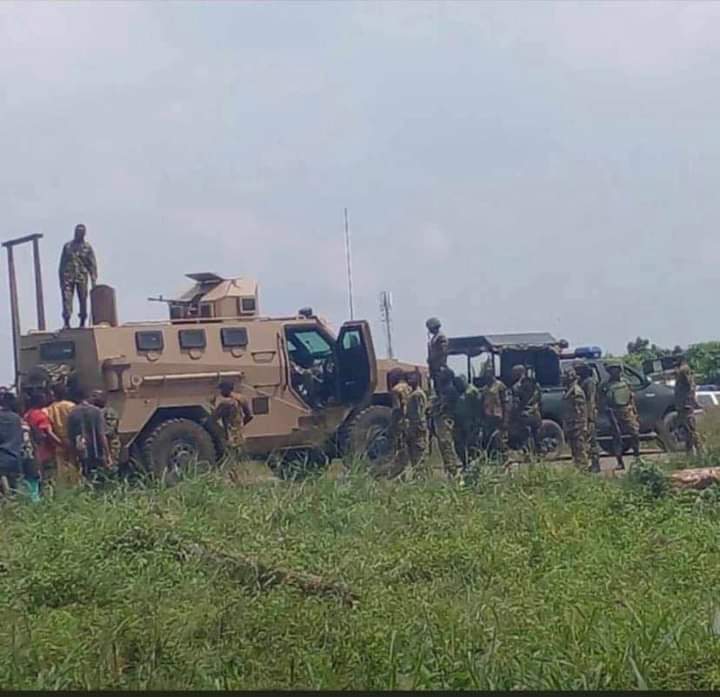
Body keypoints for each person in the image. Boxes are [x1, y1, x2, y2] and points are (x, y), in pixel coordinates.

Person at [602, 361, 640, 471]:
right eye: (612, 369)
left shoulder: (626, 383)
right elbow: (601, 400)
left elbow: (631, 398)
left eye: (617, 369)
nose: (615, 372)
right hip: (613, 412)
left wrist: (635, 412)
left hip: (627, 410)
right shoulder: (606, 385)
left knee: (635, 433)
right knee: (616, 437)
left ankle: (637, 457)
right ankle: (619, 461)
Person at [67, 386, 110, 482]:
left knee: (87, 477)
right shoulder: (97, 412)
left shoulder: (72, 413)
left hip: (81, 451)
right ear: (90, 397)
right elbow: (101, 434)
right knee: (101, 479)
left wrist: (72, 457)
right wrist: (108, 454)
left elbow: (70, 437)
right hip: (97, 451)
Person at [59, 223, 98, 329]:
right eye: (78, 231)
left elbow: (92, 264)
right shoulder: (67, 246)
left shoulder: (87, 247)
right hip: (68, 277)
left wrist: (93, 279)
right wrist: (62, 279)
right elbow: (62, 264)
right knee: (67, 299)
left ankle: (82, 321)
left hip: (82, 277)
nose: (79, 234)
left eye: (81, 232)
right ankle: (66, 321)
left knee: (83, 299)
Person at [23, 389, 62, 487]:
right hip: (46, 451)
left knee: (39, 477)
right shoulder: (41, 415)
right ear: (39, 401)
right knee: (49, 478)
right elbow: (48, 433)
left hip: (33, 450)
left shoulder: (27, 414)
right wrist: (62, 444)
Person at [209, 379, 253, 460]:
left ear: (226, 389)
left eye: (221, 389)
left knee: (231, 459)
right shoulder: (242, 398)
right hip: (240, 436)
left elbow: (213, 418)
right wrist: (240, 426)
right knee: (242, 458)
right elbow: (249, 416)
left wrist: (212, 404)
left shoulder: (225, 404)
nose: (220, 392)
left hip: (230, 437)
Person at [46, 383, 80, 486]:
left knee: (61, 468)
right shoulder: (71, 406)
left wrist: (59, 441)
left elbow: (50, 427)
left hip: (58, 441)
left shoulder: (50, 408)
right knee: (74, 465)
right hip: (72, 439)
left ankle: (64, 489)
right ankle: (76, 487)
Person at [430, 366, 461, 479]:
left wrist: (435, 406)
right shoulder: (444, 389)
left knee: (446, 445)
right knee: (444, 446)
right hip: (442, 420)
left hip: (445, 420)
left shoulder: (450, 389)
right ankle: (450, 470)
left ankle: (453, 471)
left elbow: (443, 406)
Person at [509, 365, 543, 457]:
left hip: (524, 416)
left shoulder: (516, 387)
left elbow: (516, 404)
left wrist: (513, 415)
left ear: (518, 373)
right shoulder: (535, 384)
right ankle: (539, 454)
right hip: (535, 413)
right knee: (537, 436)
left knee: (526, 437)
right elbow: (540, 400)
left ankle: (529, 455)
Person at [674, 353, 704, 456]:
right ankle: (690, 453)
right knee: (686, 431)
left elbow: (690, 385)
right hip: (682, 406)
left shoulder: (684, 369)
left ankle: (700, 452)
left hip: (685, 405)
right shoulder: (682, 370)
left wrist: (690, 402)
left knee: (691, 430)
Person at [576, 362, 601, 473]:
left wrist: (589, 416)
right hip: (583, 413)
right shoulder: (581, 382)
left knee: (592, 440)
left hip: (589, 414)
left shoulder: (589, 382)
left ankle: (596, 464)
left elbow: (590, 400)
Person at [452, 374, 482, 468]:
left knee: (472, 445)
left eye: (459, 383)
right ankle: (465, 463)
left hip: (471, 423)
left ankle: (473, 465)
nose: (457, 385)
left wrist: (477, 423)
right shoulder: (458, 392)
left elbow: (479, 408)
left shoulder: (473, 391)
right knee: (458, 444)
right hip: (459, 422)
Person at [479, 366, 509, 459]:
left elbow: (505, 403)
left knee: (499, 439)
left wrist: (505, 419)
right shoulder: (485, 388)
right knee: (488, 440)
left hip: (497, 416)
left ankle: (504, 458)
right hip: (488, 417)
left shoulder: (500, 386)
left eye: (488, 375)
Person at [562, 368, 588, 468]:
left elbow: (582, 410)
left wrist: (583, 425)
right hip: (571, 424)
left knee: (580, 448)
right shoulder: (568, 390)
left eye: (565, 376)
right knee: (574, 449)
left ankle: (583, 469)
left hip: (577, 424)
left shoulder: (576, 391)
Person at [387, 368, 412, 474]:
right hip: (411, 421)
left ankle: (402, 472)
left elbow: (397, 409)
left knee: (401, 448)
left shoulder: (396, 390)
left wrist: (392, 425)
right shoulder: (410, 388)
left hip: (401, 422)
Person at [90, 390, 122, 470]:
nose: (93, 399)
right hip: (100, 445)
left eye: (96, 396)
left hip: (109, 445)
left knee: (111, 466)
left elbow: (109, 431)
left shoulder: (108, 412)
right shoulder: (94, 412)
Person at [406, 370, 429, 475]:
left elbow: (419, 414)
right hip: (414, 427)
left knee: (419, 454)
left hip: (417, 428)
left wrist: (417, 428)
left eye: (412, 378)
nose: (409, 380)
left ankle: (422, 477)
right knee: (414, 455)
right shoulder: (413, 393)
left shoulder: (417, 395)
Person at [426, 317, 449, 389]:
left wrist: (433, 358)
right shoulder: (434, 338)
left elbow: (443, 351)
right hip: (434, 369)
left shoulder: (441, 337)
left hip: (440, 368)